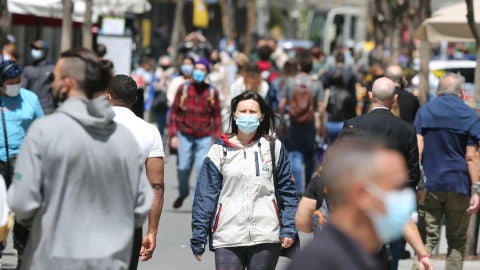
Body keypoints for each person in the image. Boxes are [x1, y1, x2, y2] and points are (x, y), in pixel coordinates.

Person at [7, 48, 152, 269]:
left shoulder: (45, 132)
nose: (52, 84)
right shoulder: (124, 138)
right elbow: (141, 205)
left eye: (54, 78)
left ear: (67, 83)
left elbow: (22, 202)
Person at [295, 131, 433, 270]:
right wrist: (422, 255)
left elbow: (302, 221)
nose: (401, 197)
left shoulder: (352, 257)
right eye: (394, 188)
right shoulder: (318, 262)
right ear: (361, 193)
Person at [191, 91, 298, 269]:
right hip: (227, 235)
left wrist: (288, 228)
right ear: (234, 115)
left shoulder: (273, 147)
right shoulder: (219, 150)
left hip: (266, 234)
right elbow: (205, 195)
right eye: (243, 111)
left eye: (252, 111)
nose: (247, 115)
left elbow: (287, 191)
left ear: (261, 116)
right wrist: (199, 234)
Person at [342, 77, 420, 269]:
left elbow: (340, 166)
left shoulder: (353, 124)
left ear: (370, 96)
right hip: (390, 208)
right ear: (394, 99)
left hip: (359, 206)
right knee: (390, 260)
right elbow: (412, 172)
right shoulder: (407, 130)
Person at [414, 73, 480, 270]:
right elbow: (472, 156)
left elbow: (418, 148)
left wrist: (418, 181)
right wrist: (476, 188)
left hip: (430, 184)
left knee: (426, 240)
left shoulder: (425, 111)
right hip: (459, 183)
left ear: (438, 91)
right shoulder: (470, 116)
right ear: (461, 93)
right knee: (457, 241)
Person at [106, 74, 165, 270]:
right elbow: (156, 185)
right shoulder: (149, 131)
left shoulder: (88, 126)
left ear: (107, 96)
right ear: (135, 99)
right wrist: (152, 230)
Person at [0, 60, 44, 268]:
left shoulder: (30, 99)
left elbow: (42, 129)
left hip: (21, 163)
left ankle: (21, 254)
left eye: (18, 81)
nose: (15, 86)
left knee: (22, 211)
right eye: (10, 82)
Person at [168, 58, 222, 208]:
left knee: (201, 167)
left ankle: (195, 203)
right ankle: (183, 192)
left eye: (202, 69)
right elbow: (173, 113)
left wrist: (217, 137)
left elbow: (216, 115)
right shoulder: (183, 89)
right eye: (196, 68)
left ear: (207, 72)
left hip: (204, 136)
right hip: (185, 134)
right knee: (182, 167)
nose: (199, 71)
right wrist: (173, 135)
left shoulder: (212, 91)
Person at [279, 56, 325, 195]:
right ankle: (307, 188)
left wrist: (282, 122)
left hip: (293, 123)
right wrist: (322, 126)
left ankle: (297, 189)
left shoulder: (291, 82)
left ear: (299, 67)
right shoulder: (316, 84)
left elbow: (282, 104)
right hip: (309, 124)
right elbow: (321, 108)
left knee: (295, 155)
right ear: (311, 68)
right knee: (309, 155)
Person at [21, 40, 56, 114]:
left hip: (47, 108)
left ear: (44, 51)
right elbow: (22, 89)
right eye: (33, 48)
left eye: (37, 49)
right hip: (31, 108)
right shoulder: (28, 69)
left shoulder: (52, 69)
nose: (34, 51)